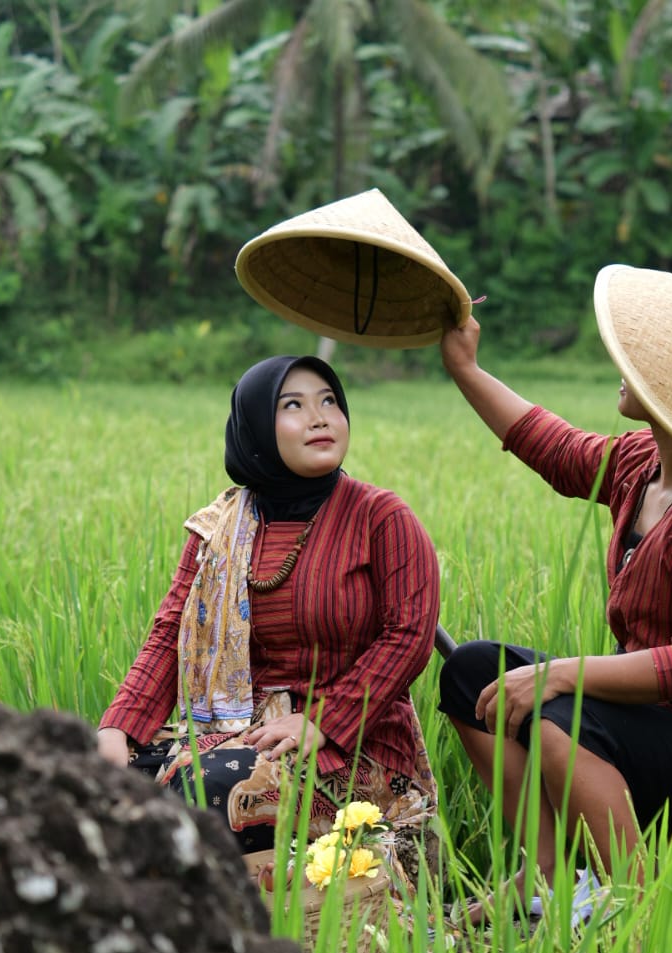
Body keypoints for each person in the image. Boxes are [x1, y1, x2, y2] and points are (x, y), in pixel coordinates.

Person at [437, 265, 672, 916]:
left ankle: (636, 909)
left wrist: (560, 675)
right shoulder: (641, 465)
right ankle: (544, 872)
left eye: (641, 362)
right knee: (471, 672)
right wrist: (466, 369)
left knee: (559, 720)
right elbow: (554, 447)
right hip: (643, 719)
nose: (621, 367)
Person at [97, 354, 440, 860]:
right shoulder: (219, 527)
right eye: (293, 405)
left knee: (209, 791)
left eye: (329, 401)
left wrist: (322, 720)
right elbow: (171, 633)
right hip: (237, 729)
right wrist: (117, 726)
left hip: (352, 745)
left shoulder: (380, 517)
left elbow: (408, 635)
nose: (319, 418)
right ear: (255, 427)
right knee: (102, 782)